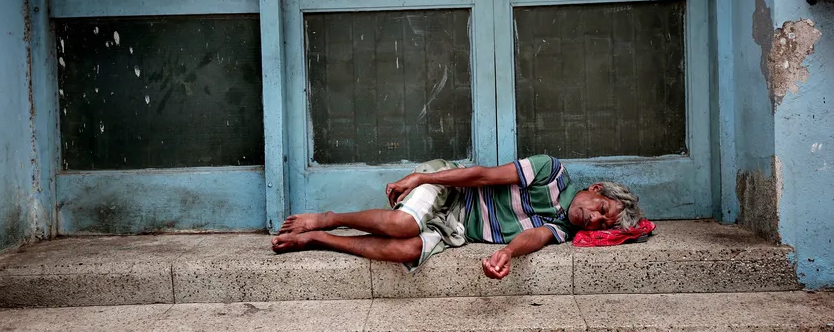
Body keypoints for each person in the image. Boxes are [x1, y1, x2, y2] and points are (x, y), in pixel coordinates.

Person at [271, 154, 642, 279]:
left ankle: (318, 239)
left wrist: (508, 254)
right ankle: (330, 219)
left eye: (601, 224)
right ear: (596, 190)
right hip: (452, 187)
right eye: (603, 210)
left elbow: (536, 238)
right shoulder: (551, 171)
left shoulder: (562, 228)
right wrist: (422, 177)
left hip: (457, 229)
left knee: (407, 249)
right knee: (403, 224)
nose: (594, 219)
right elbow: (482, 175)